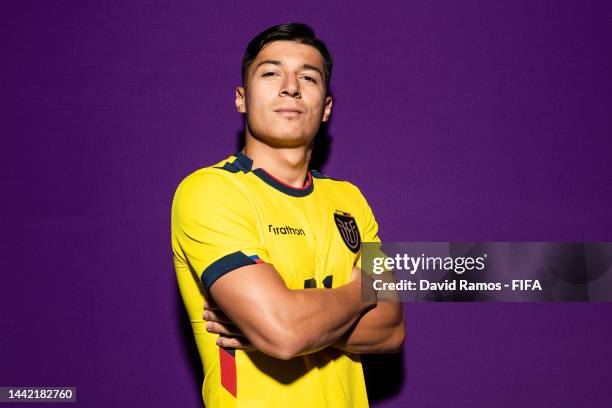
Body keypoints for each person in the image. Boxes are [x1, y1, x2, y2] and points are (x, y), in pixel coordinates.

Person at [171, 22, 404, 407]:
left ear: (326, 107)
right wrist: (361, 293)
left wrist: (290, 318)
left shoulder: (351, 200)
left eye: (308, 77)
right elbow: (283, 332)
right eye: (271, 73)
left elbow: (392, 329)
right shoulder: (210, 191)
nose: (290, 86)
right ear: (241, 99)